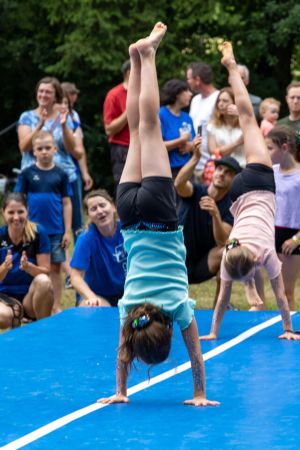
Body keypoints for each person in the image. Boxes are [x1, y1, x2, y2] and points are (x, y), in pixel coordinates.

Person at [98, 23, 219, 407]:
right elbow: (121, 355)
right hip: (131, 217)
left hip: (159, 215)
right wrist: (120, 391)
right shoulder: (128, 309)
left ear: (166, 331)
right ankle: (137, 59)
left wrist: (199, 393)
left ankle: (147, 56)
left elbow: (197, 358)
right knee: (138, 129)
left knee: (147, 126)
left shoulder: (177, 307)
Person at [200, 42, 299, 341]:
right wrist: (287, 330)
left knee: (246, 117)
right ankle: (232, 69)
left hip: (257, 184)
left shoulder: (260, 256)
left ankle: (232, 68)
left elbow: (279, 297)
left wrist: (214, 332)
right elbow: (280, 299)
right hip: (238, 193)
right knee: (246, 118)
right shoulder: (234, 252)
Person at [16, 131, 72, 314]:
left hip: (55, 230)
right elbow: (19, 199)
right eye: (40, 148)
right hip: (32, 232)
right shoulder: (27, 174)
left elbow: (66, 203)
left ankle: (55, 305)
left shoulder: (61, 174)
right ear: (33, 151)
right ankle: (33, 304)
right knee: (31, 266)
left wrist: (67, 230)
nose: (44, 152)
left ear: (55, 149)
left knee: (55, 268)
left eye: (48, 148)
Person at [175, 144, 239, 286]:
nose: (221, 173)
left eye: (228, 172)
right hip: (176, 259)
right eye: (220, 169)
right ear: (214, 171)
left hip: (203, 264)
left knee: (231, 249)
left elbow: (223, 242)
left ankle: (220, 306)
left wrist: (215, 214)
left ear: (234, 179)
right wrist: (196, 158)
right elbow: (179, 184)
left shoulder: (231, 208)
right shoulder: (195, 192)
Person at [0, 193, 53, 329]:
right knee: (2, 317)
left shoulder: (38, 233)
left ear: (27, 211)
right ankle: (15, 320)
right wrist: (5, 267)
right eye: (11, 212)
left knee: (44, 281)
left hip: (30, 296)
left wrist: (29, 267)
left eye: (20, 212)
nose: (16, 217)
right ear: (3, 213)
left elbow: (46, 272)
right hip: (5, 296)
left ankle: (43, 330)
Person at [70, 189, 126, 307]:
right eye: (93, 209)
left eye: (102, 205)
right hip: (98, 295)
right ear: (89, 215)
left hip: (128, 292)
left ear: (113, 207)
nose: (99, 211)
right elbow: (75, 277)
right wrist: (91, 297)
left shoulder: (128, 230)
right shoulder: (86, 238)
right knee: (95, 309)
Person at [266, 125, 300, 311]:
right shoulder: (272, 171)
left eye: (270, 148)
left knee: (287, 291)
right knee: (275, 290)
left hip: (292, 235)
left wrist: (296, 239)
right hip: (273, 231)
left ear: (285, 148)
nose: (267, 152)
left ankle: (292, 331)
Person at [187, 61, 219, 177]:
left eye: (189, 79)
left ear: (197, 79)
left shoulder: (219, 99)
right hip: (192, 163)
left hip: (210, 166)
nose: (188, 82)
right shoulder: (195, 100)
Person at [159, 79, 196, 178]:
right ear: (177, 93)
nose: (190, 94)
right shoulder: (161, 114)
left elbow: (196, 142)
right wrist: (181, 140)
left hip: (187, 170)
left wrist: (191, 146)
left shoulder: (187, 117)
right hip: (167, 172)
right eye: (187, 90)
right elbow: (156, 147)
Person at [61, 82, 94, 192]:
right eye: (74, 93)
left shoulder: (74, 116)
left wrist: (85, 172)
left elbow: (80, 149)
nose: (76, 96)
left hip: (73, 169)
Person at [103, 60, 131, 187]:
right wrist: (128, 112)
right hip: (122, 149)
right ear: (129, 72)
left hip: (145, 147)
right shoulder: (114, 94)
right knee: (124, 188)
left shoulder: (145, 93)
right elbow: (109, 129)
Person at [207, 87, 245, 167]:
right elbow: (213, 151)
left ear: (235, 103)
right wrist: (237, 143)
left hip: (243, 168)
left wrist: (241, 115)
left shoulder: (245, 122)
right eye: (219, 101)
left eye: (225, 101)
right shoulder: (212, 126)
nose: (220, 104)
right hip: (222, 169)